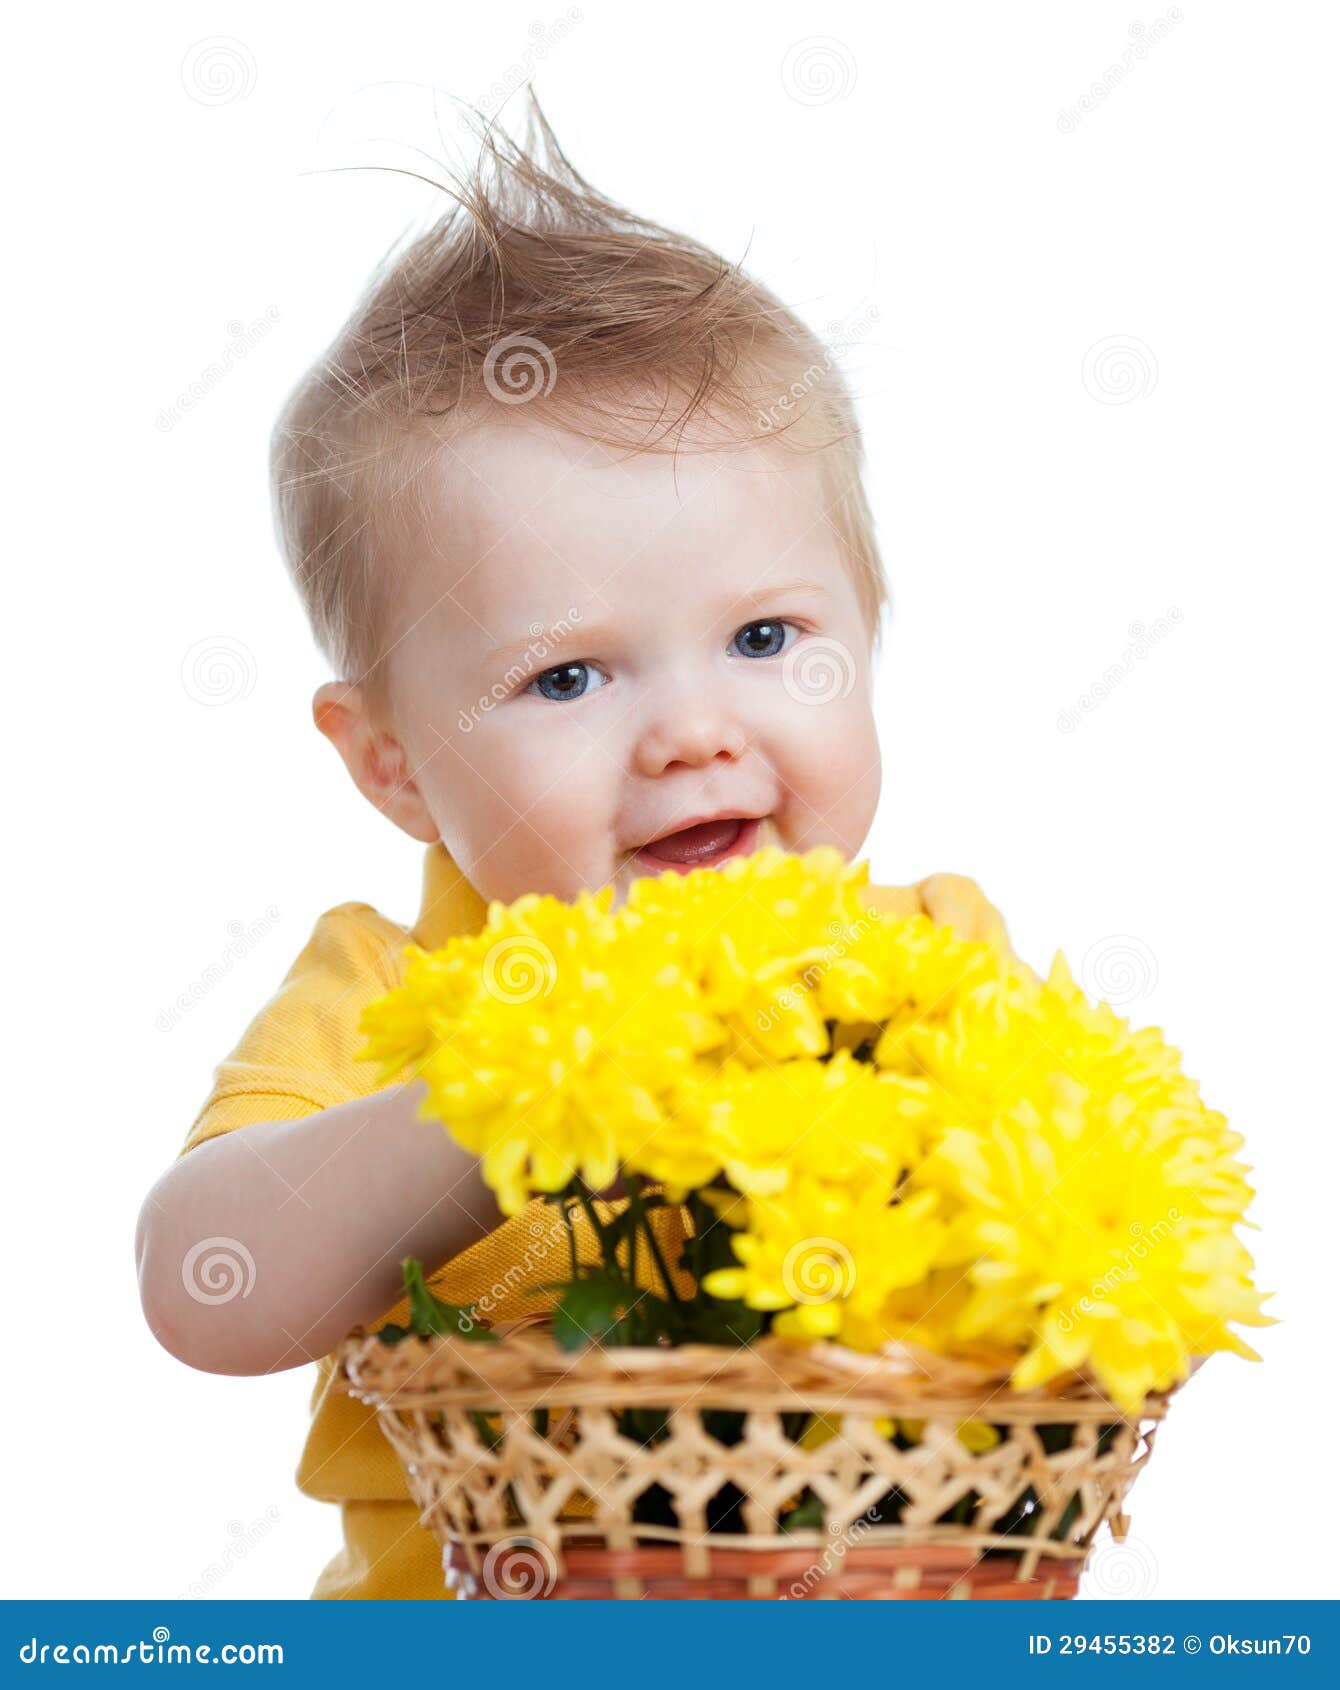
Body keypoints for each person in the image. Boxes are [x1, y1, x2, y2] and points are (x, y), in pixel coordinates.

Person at [136, 93, 1011, 1599]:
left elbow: (1096, 1249)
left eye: (763, 637)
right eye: (567, 677)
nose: (692, 733)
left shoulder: (930, 960)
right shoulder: (398, 989)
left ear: (870, 637)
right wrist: (494, 1114)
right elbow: (202, 1288)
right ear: (394, 765)